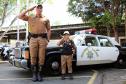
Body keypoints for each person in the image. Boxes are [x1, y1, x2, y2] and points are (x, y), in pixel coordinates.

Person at [18, 4, 51, 82]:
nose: (39, 9)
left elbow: (49, 29)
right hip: (33, 39)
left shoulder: (46, 19)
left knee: (41, 57)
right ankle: (34, 74)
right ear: (35, 9)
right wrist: (29, 9)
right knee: (33, 57)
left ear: (42, 9)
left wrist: (48, 40)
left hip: (43, 39)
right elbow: (19, 16)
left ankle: (40, 73)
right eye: (38, 8)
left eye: (40, 8)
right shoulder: (30, 17)